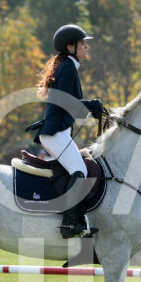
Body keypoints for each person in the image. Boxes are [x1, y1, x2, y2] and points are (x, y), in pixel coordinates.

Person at [33, 24, 104, 238]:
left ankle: (78, 217)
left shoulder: (69, 65)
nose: (86, 47)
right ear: (70, 47)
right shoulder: (68, 67)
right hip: (55, 134)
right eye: (82, 44)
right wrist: (90, 105)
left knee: (79, 168)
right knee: (79, 171)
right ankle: (69, 223)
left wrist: (90, 107)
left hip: (59, 133)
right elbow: (64, 101)